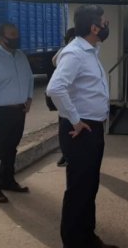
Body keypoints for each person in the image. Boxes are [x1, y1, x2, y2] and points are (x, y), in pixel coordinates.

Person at [46, 5, 118, 248]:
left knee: (89, 187)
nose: (107, 26)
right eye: (104, 23)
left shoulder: (90, 50)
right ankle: (74, 242)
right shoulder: (75, 52)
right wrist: (75, 119)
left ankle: (87, 237)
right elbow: (55, 89)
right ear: (94, 27)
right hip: (81, 130)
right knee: (79, 189)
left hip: (92, 128)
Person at [0, 23, 34, 204]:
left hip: (19, 111)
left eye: (17, 34)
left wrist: (29, 98)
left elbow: (29, 77)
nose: (16, 38)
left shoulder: (20, 56)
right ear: (1, 37)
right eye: (12, 34)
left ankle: (8, 181)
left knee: (11, 148)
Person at [50, 27, 76, 167]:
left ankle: (69, 155)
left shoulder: (81, 52)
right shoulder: (66, 51)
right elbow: (54, 61)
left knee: (71, 129)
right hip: (65, 99)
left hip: (75, 100)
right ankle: (66, 154)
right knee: (64, 129)